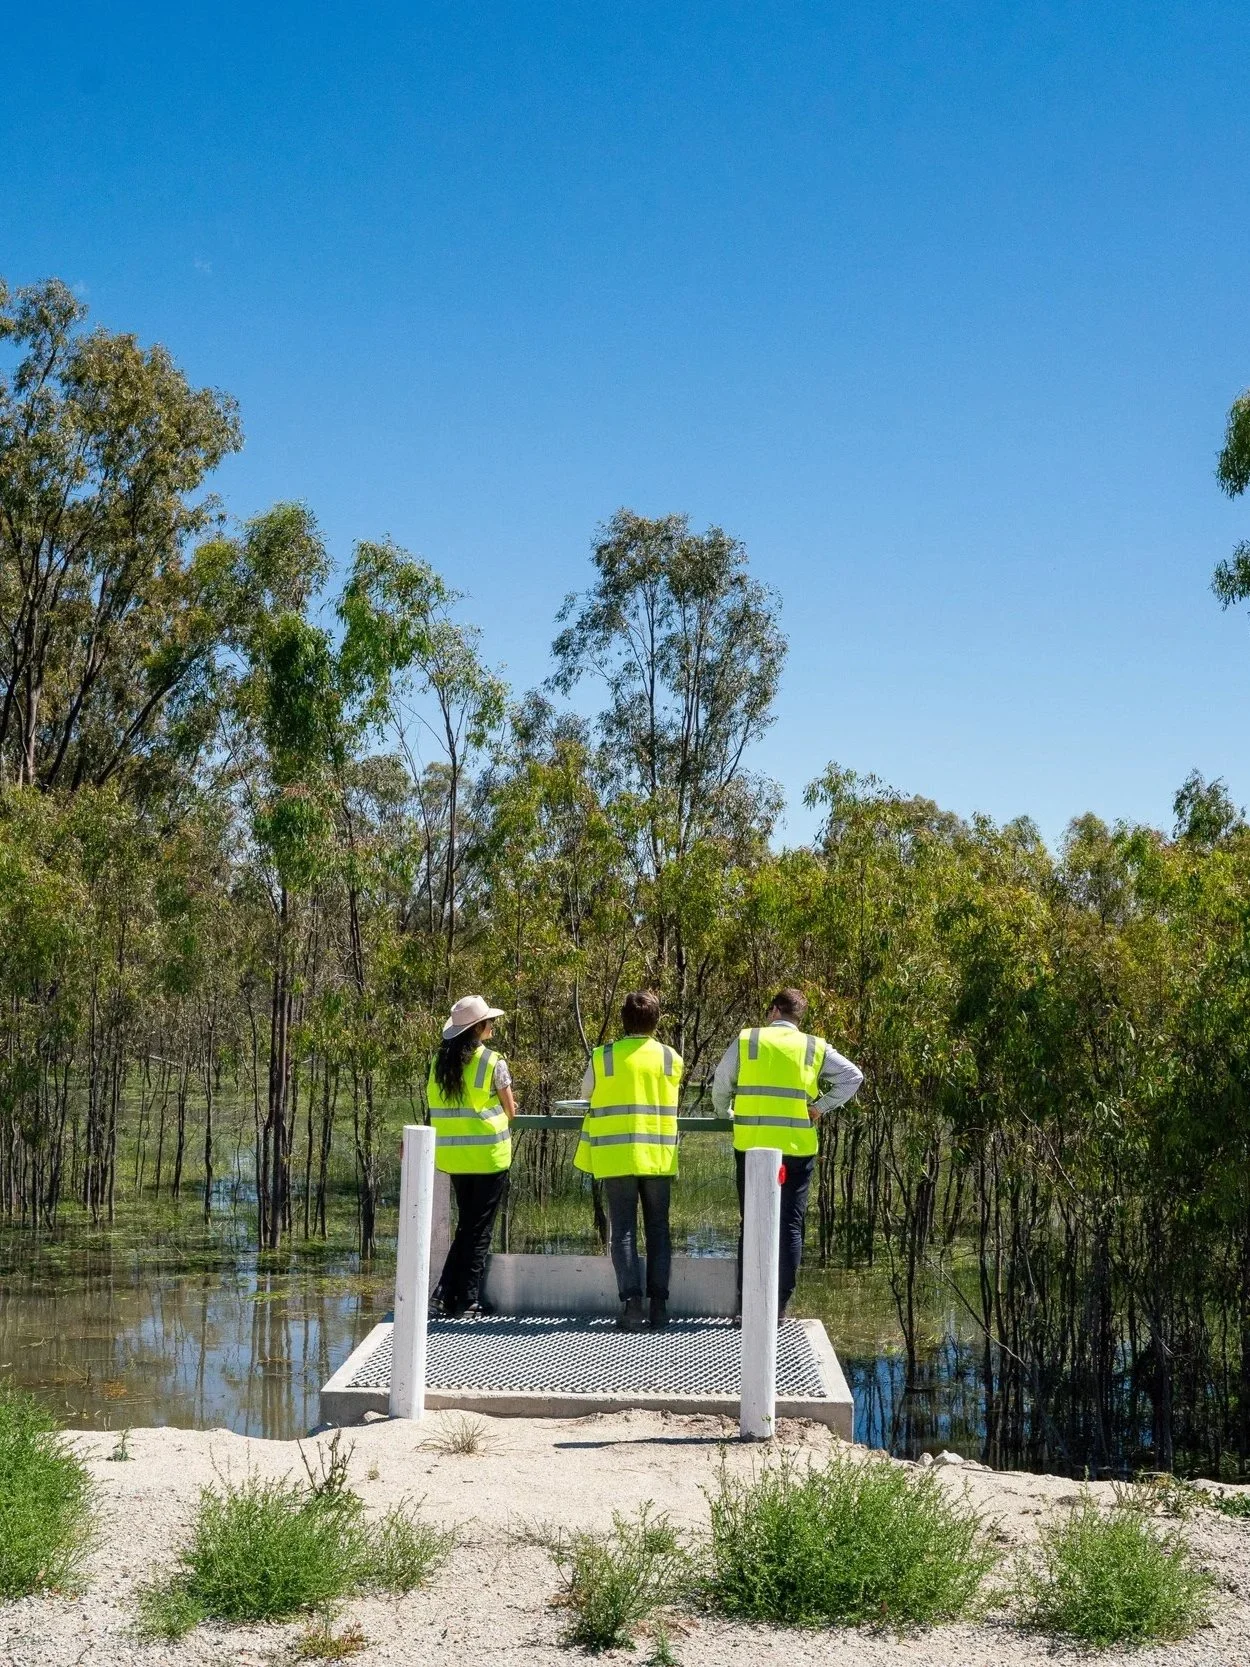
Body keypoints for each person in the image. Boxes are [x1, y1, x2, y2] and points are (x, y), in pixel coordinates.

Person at [711, 988, 863, 1324]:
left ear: (775, 1010)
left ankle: (745, 1307)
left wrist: (725, 1112)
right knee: (790, 1227)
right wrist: (820, 1107)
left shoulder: (748, 1040)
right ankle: (778, 1307)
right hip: (796, 1149)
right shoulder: (813, 1046)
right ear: (798, 1017)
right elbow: (853, 1077)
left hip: (752, 1145)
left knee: (750, 1225)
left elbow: (722, 1081)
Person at [575, 990, 682, 1331]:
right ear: (657, 1021)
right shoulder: (670, 1057)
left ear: (623, 1020)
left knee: (622, 1232)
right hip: (658, 1155)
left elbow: (585, 1095)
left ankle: (632, 1307)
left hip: (616, 1154)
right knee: (658, 1231)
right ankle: (660, 1307)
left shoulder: (602, 1057)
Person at [427, 994, 516, 1318]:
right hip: (489, 1156)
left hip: (453, 1156)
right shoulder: (493, 1062)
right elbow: (510, 1110)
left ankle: (443, 1294)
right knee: (478, 1230)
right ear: (479, 1027)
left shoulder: (438, 1063)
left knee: (468, 1225)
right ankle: (466, 1301)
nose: (492, 1025)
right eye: (490, 1021)